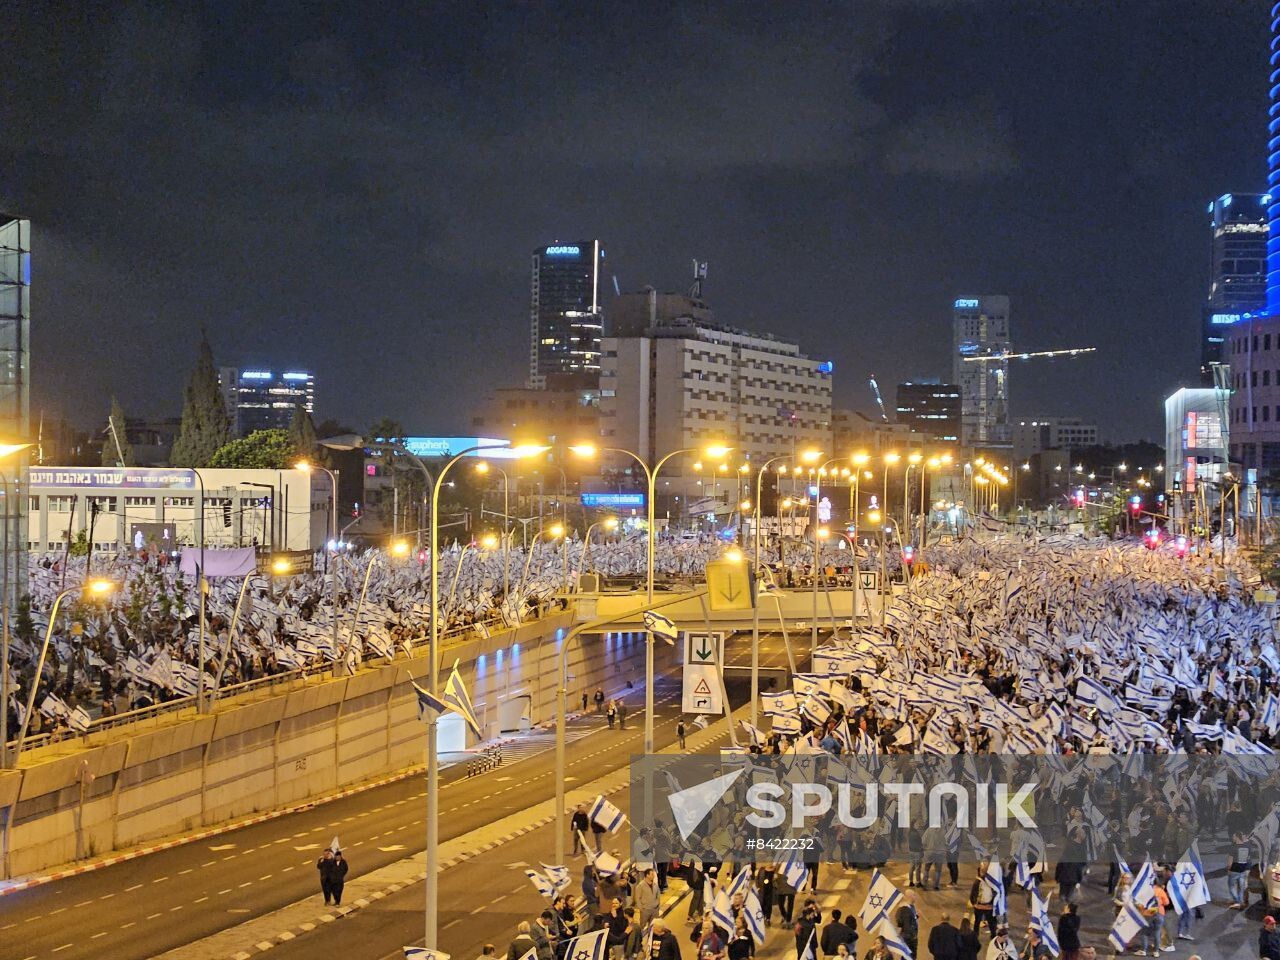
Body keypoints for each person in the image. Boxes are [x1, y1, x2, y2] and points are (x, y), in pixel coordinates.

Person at [969, 862, 997, 938]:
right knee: (990, 922)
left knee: (978, 922)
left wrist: (973, 902)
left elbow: (973, 893)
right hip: (987, 906)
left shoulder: (978, 882)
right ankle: (993, 935)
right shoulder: (991, 882)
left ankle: (976, 935)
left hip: (980, 906)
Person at [1227, 832, 1251, 909]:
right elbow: (1247, 859)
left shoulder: (1233, 848)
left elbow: (1230, 861)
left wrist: (1229, 869)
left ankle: (1237, 901)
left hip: (1234, 870)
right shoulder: (1246, 847)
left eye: (1234, 837)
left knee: (1231, 887)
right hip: (1243, 870)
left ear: (1237, 837)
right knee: (1241, 887)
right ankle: (1240, 902)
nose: (1233, 838)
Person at [895, 891, 920, 960]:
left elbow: (910, 920)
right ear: (910, 896)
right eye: (914, 895)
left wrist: (916, 916)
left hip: (911, 938)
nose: (916, 897)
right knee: (908, 957)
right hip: (909, 939)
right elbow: (904, 925)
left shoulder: (911, 907)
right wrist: (912, 937)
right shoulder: (904, 909)